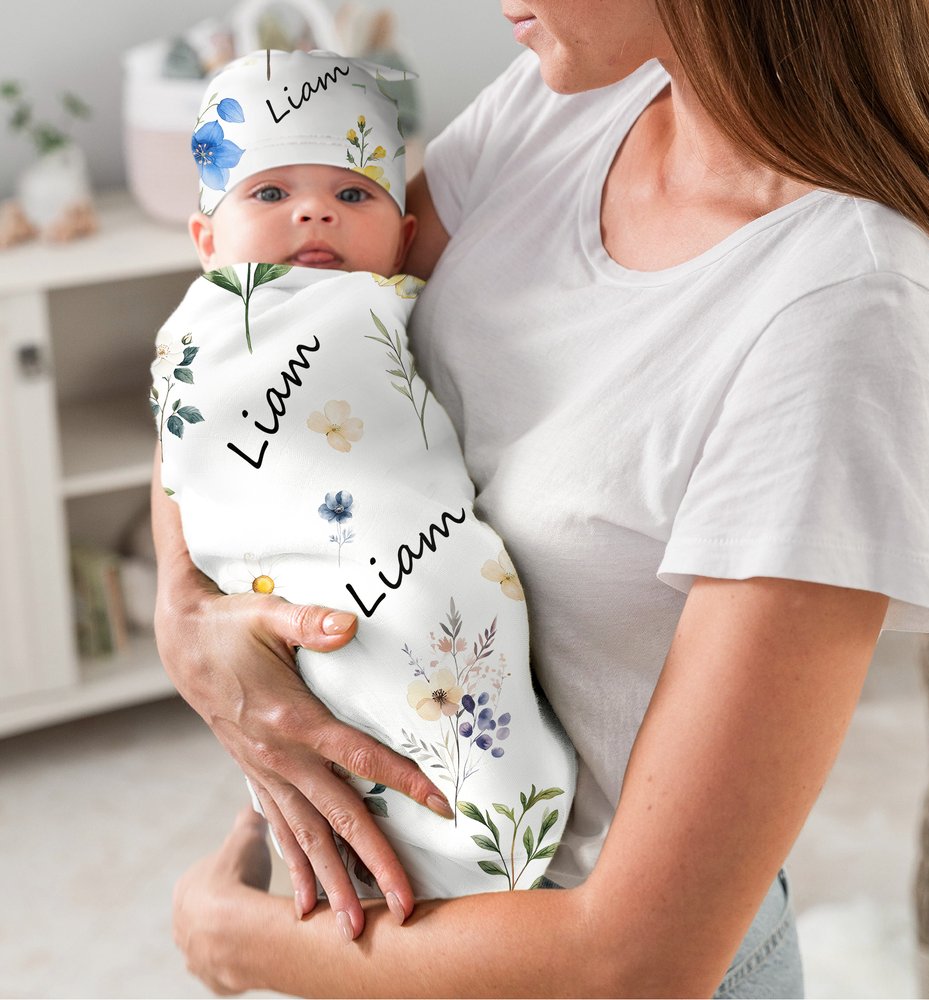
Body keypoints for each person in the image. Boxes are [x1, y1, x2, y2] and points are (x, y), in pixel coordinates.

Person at [160, 0, 929, 996]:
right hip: (379, 924)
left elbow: (638, 959)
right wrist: (188, 617)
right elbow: (262, 330)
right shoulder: (571, 105)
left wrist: (228, 937)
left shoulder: (856, 318)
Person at [152, 47, 576, 906]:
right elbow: (189, 431)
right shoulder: (211, 325)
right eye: (269, 194)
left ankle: (477, 829)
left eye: (353, 195)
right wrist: (184, 604)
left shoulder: (391, 297)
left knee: (445, 624)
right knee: (333, 717)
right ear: (207, 242)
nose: (315, 211)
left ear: (404, 240)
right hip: (293, 596)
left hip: (421, 555)